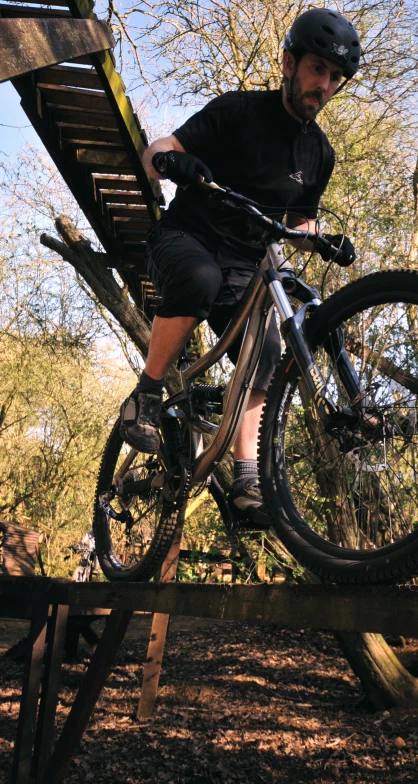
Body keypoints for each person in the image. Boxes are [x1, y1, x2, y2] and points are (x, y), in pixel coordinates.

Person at [120, 8, 361, 525]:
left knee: (269, 350)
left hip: (246, 269)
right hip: (186, 239)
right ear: (289, 62)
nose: (324, 85)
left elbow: (301, 226)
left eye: (335, 77)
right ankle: (145, 393)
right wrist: (170, 162)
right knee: (198, 279)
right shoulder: (237, 111)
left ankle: (246, 479)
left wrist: (323, 243)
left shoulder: (320, 154)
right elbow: (157, 149)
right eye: (317, 68)